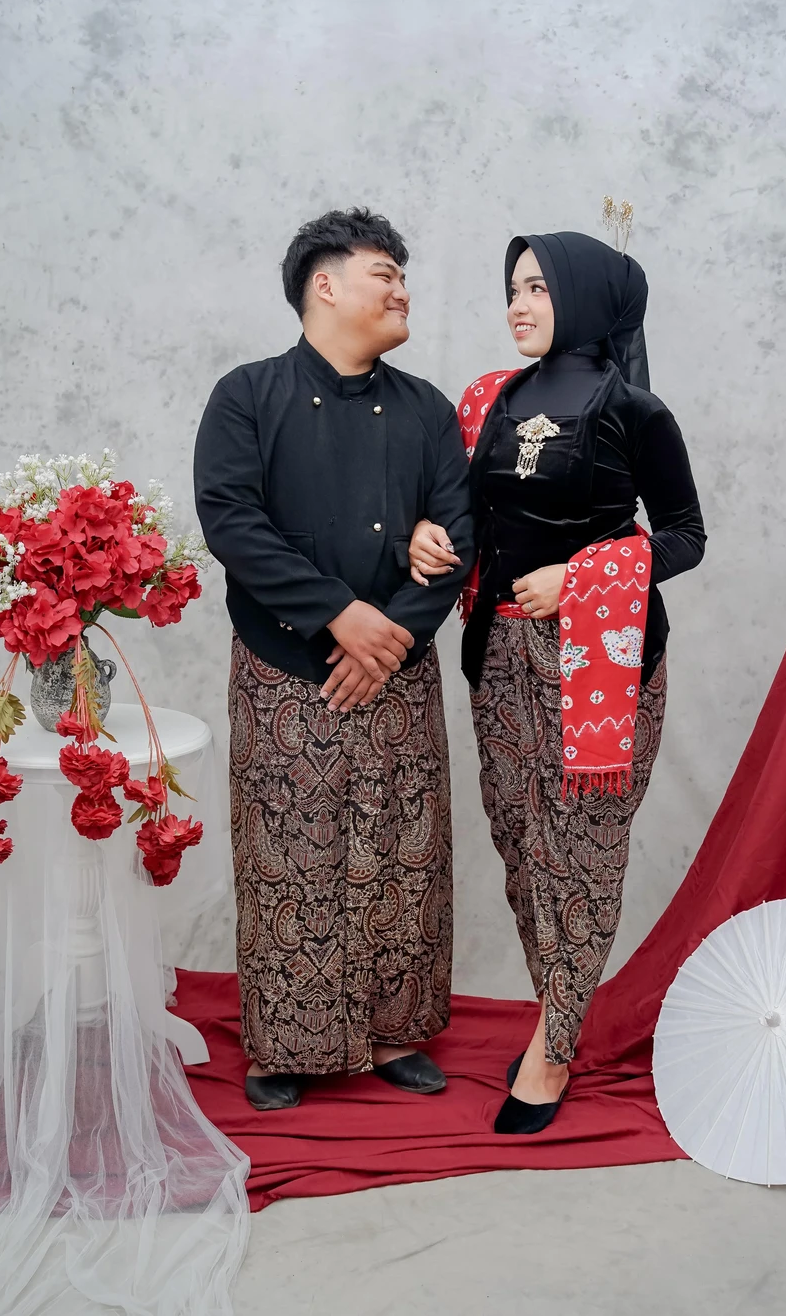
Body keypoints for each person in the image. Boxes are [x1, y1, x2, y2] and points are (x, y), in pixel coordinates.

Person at [409, 231, 705, 1133]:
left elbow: (686, 535)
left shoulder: (636, 410)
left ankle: (552, 1048)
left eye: (538, 287)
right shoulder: (491, 399)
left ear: (583, 295)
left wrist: (580, 581)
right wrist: (429, 534)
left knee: (580, 852)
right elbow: (472, 517)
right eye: (512, 288)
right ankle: (560, 1015)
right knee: (520, 842)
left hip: (601, 662)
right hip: (499, 651)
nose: (518, 304)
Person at [194, 207, 474, 1110]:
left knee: (403, 851)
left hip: (398, 666)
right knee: (289, 853)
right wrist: (338, 615)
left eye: (403, 277)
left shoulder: (427, 408)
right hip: (283, 665)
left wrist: (390, 636)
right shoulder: (248, 395)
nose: (403, 291)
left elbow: (458, 533)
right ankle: (285, 1043)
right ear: (325, 284)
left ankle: (394, 1033)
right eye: (385, 274)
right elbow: (231, 521)